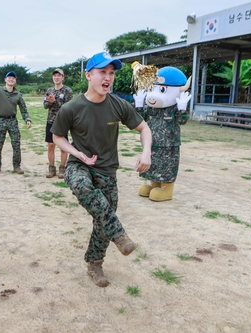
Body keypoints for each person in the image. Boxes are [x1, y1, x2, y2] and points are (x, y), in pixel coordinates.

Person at [51, 52, 152, 288]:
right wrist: (76, 154)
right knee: (81, 185)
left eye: (112, 73)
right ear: (89, 75)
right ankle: (120, 234)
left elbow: (143, 128)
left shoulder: (118, 105)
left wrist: (146, 152)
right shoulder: (71, 107)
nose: (108, 77)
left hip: (107, 171)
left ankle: (94, 263)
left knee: (101, 222)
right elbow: (57, 136)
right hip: (79, 163)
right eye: (102, 72)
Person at [133, 66, 192, 201]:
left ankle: (166, 189)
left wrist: (182, 109)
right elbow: (139, 119)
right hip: (151, 143)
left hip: (168, 144)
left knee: (167, 166)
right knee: (152, 165)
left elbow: (182, 121)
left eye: (161, 89)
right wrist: (139, 105)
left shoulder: (174, 107)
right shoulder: (151, 107)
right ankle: (154, 184)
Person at [0, 68, 32, 175]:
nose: (11, 79)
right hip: (1, 120)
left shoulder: (18, 94)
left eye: (13, 78)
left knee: (16, 144)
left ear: (15, 80)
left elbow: (23, 109)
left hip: (13, 121)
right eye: (9, 77)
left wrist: (27, 119)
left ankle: (17, 166)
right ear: (5, 79)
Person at [43, 68, 73, 179]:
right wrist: (49, 102)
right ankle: (51, 169)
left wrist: (55, 101)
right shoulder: (49, 90)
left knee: (63, 147)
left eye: (59, 76)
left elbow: (69, 107)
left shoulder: (67, 91)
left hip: (62, 122)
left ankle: (62, 168)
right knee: (51, 145)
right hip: (51, 121)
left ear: (62, 77)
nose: (56, 77)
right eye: (55, 76)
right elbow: (45, 106)